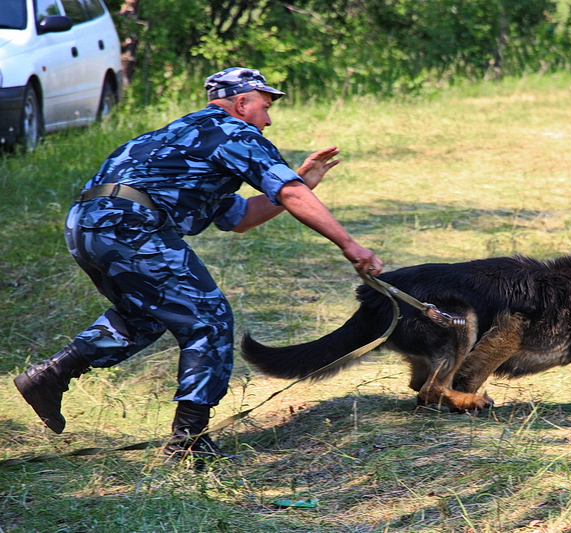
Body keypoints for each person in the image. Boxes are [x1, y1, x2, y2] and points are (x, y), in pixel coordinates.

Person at [13, 67, 383, 464]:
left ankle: (50, 376)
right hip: (130, 224)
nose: (269, 119)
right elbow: (286, 192)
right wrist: (348, 243)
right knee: (209, 319)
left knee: (145, 316)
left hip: (87, 223)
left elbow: (240, 217)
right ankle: (188, 443)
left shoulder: (183, 137)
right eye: (265, 106)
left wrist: (300, 184)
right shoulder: (235, 133)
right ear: (241, 102)